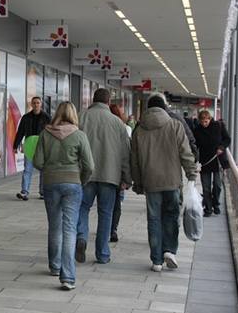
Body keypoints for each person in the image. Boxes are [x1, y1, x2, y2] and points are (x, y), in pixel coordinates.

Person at [131, 94, 197, 272]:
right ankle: (169, 250)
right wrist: (191, 172)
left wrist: (137, 183)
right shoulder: (175, 125)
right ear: (164, 108)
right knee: (171, 216)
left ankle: (156, 261)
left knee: (153, 220)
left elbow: (134, 160)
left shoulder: (139, 129)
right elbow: (185, 152)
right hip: (172, 181)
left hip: (151, 182)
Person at [34, 102, 94, 290]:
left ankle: (55, 266)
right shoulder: (79, 135)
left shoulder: (45, 133)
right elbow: (89, 165)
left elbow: (37, 161)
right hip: (73, 184)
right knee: (69, 229)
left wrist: (50, 171)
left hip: (51, 183)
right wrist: (80, 180)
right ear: (74, 115)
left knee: (55, 226)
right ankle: (68, 277)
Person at [76, 88, 131, 264]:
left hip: (85, 174)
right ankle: (103, 254)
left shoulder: (81, 117)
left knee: (82, 208)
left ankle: (82, 237)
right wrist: (126, 177)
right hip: (110, 175)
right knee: (106, 213)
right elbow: (125, 153)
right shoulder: (118, 123)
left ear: (93, 100)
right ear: (108, 102)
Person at [193, 110, 231, 217]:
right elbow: (195, 147)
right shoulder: (197, 131)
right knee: (206, 187)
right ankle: (208, 209)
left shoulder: (218, 126)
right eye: (202, 122)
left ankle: (216, 204)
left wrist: (221, 147)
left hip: (218, 160)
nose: (204, 124)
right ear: (199, 121)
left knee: (218, 185)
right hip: (205, 162)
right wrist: (194, 162)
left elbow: (227, 139)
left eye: (206, 121)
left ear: (210, 119)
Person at [13, 96, 51, 200]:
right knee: (27, 169)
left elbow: (51, 132)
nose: (36, 105)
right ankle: (24, 192)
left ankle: (43, 192)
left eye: (38, 103)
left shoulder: (47, 117)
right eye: (34, 103)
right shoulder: (26, 117)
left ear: (41, 104)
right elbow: (20, 131)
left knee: (43, 170)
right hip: (29, 146)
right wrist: (15, 145)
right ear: (31, 104)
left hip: (42, 146)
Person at [109, 104, 132, 243]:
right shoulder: (123, 128)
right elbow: (126, 154)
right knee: (116, 202)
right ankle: (113, 230)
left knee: (104, 204)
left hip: (100, 171)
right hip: (117, 172)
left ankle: (82, 233)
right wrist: (127, 178)